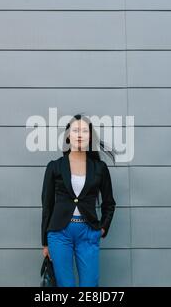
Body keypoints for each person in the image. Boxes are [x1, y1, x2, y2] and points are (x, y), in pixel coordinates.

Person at [40, 114, 117, 287]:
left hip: (88, 232)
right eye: (75, 130)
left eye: (84, 131)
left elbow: (109, 203)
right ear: (68, 135)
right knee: (65, 285)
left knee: (90, 285)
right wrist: (45, 242)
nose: (80, 134)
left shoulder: (100, 168)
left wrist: (102, 229)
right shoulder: (55, 166)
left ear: (90, 136)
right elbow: (47, 205)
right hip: (59, 234)